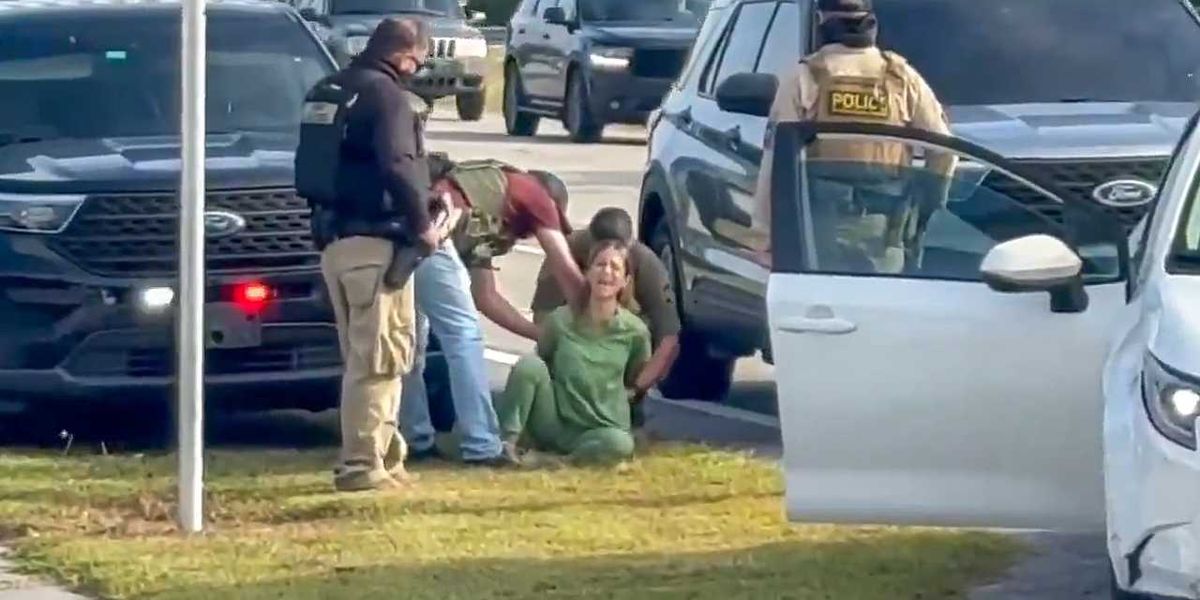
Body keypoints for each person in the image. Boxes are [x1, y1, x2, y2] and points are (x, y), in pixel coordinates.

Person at [298, 18, 439, 492]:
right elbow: (398, 164)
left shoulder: (327, 90)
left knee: (367, 358)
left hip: (335, 242)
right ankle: (361, 465)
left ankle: (386, 456)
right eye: (418, 60)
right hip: (377, 246)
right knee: (379, 360)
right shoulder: (386, 97)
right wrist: (423, 225)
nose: (417, 70)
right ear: (404, 54)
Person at [398, 154, 587, 466]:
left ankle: (415, 438)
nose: (527, 236)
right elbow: (565, 267)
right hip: (433, 232)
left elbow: (486, 297)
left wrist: (539, 333)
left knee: (411, 344)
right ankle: (481, 444)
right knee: (464, 337)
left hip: (408, 232)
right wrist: (587, 324)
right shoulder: (535, 194)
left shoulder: (489, 209)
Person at [752, 0, 955, 273]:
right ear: (871, 23)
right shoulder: (902, 77)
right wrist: (924, 212)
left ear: (822, 21)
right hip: (883, 232)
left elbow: (776, 160)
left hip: (818, 233)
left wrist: (765, 236)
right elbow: (944, 150)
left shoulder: (804, 77)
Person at [496, 240, 652, 465]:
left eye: (615, 267)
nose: (606, 272)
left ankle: (558, 461)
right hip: (555, 420)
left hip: (599, 429)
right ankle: (506, 445)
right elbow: (544, 361)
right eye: (600, 264)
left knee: (621, 444)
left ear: (625, 281)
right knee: (528, 366)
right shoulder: (559, 320)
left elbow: (634, 376)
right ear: (588, 272)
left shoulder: (635, 332)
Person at [528, 207, 680, 425]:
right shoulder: (566, 251)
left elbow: (669, 338)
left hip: (621, 344)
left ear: (629, 245)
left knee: (640, 330)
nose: (608, 264)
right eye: (600, 255)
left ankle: (625, 407)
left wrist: (635, 389)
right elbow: (543, 315)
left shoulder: (646, 264)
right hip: (575, 337)